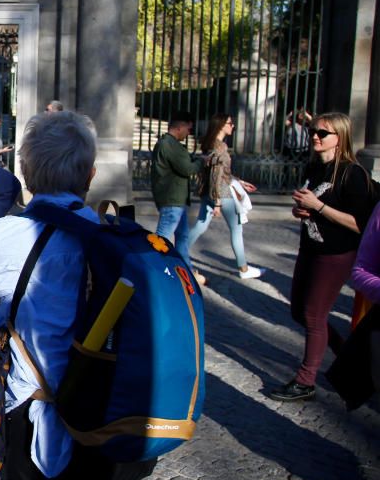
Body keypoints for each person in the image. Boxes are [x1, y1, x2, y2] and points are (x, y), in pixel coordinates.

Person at [0, 110, 156, 480]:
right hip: (102, 416)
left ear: (27, 172)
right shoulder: (116, 240)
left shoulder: (3, 235)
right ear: (89, 175)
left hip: (28, 407)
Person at [270, 112, 375, 402]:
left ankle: (306, 381)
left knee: (314, 315)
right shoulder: (315, 168)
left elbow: (361, 224)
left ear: (339, 138)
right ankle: (348, 357)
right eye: (313, 130)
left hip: (336, 254)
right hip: (310, 249)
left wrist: (317, 206)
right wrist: (300, 211)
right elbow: (309, 206)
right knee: (298, 312)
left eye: (322, 133)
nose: (314, 135)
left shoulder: (353, 174)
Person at [187, 114, 262, 279]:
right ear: (221, 125)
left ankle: (180, 253)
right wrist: (218, 202)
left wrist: (239, 181)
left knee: (200, 225)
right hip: (221, 192)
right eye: (230, 123)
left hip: (209, 191)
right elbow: (217, 175)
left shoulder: (210, 144)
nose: (232, 126)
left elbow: (220, 173)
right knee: (236, 229)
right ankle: (244, 269)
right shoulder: (220, 147)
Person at [151, 110, 205, 282]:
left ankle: (187, 273)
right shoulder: (169, 144)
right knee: (162, 239)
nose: (189, 133)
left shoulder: (171, 144)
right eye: (188, 129)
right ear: (180, 127)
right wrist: (201, 162)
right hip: (172, 199)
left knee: (182, 237)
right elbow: (187, 169)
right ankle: (153, 271)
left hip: (176, 199)